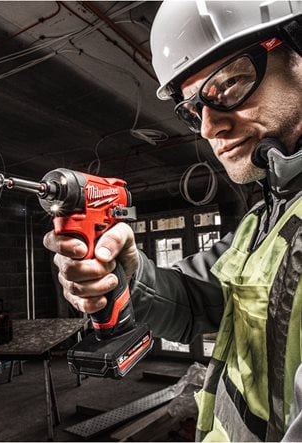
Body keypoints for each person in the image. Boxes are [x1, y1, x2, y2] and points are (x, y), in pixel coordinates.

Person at [44, 1, 302, 441]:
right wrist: (131, 274)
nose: (208, 128)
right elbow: (200, 302)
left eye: (229, 83)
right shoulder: (264, 220)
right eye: (192, 110)